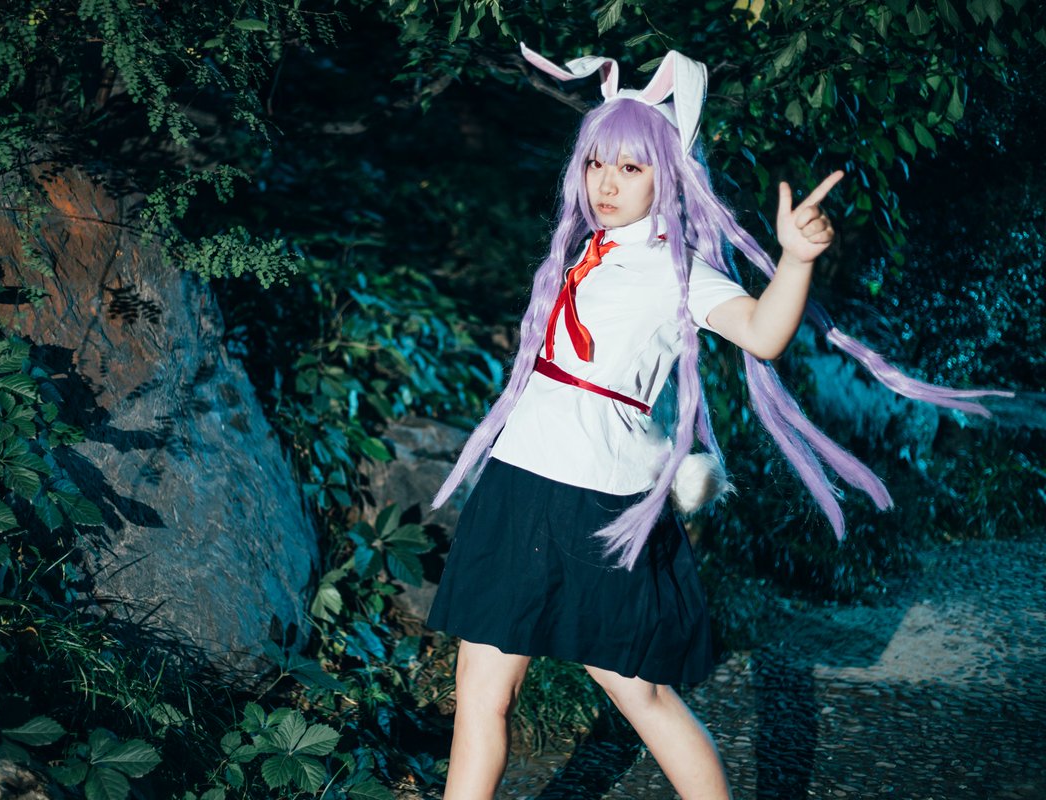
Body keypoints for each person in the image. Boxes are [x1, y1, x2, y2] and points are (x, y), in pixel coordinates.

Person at [423, 44, 1006, 800]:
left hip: (596, 503)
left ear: (667, 175)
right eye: (597, 162)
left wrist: (795, 261)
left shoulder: (678, 268)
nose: (607, 182)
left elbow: (763, 333)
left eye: (631, 167)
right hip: (518, 482)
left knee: (640, 693)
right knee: (480, 693)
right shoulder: (588, 251)